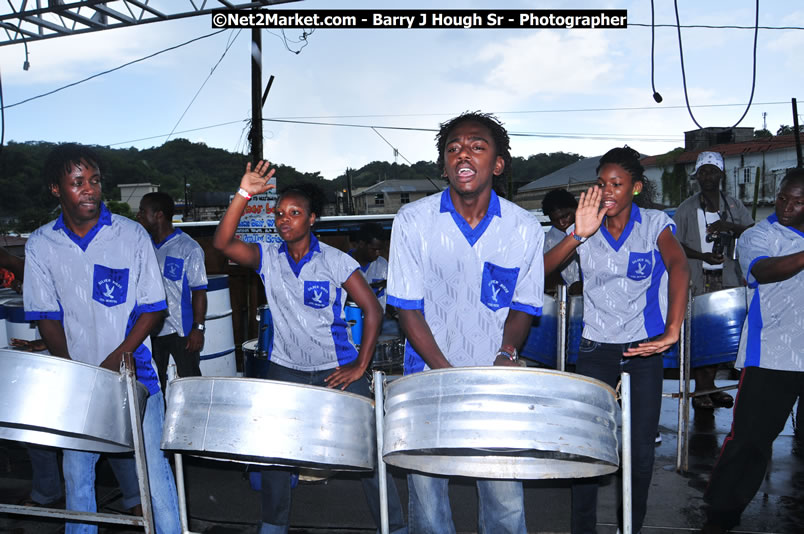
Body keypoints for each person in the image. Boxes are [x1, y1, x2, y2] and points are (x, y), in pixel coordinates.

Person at [212, 169, 407, 534]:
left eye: (295, 213)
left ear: (312, 218)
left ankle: (393, 526)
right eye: (279, 213)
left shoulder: (336, 261)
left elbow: (373, 308)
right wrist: (243, 192)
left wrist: (360, 366)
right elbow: (222, 242)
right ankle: (272, 525)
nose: (284, 220)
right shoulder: (267, 257)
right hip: (286, 369)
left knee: (369, 448)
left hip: (337, 368)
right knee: (275, 454)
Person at [387, 112, 544, 534]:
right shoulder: (412, 221)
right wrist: (444, 373)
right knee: (429, 500)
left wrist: (506, 353)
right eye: (453, 147)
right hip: (428, 377)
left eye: (477, 145)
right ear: (443, 163)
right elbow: (406, 307)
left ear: (497, 163)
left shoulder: (525, 228)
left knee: (504, 500)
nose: (463, 154)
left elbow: (523, 306)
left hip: (494, 380)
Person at [23, 144, 181, 534]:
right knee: (77, 476)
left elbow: (153, 308)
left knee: (155, 475)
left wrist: (114, 361)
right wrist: (76, 372)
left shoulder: (130, 235)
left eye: (94, 180)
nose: (89, 189)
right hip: (78, 383)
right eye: (77, 182)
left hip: (135, 375)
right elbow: (47, 317)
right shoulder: (41, 245)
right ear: (56, 189)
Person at [544, 146, 690, 534]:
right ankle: (583, 529)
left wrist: (673, 327)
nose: (607, 191)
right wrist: (578, 232)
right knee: (587, 448)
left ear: (636, 188)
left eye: (617, 183)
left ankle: (632, 527)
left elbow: (678, 265)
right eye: (601, 183)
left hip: (643, 347)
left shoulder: (655, 223)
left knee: (639, 451)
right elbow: (540, 270)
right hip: (595, 347)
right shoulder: (584, 224)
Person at [700, 168, 804, 534]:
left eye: (798, 201)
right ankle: (720, 516)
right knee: (749, 442)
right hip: (774, 354)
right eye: (782, 198)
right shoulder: (761, 235)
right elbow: (764, 270)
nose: (787, 206)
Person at [673, 151, 754, 410]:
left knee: (720, 334)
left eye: (712, 171)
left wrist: (728, 227)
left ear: (721, 174)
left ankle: (710, 387)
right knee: (700, 334)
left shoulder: (733, 205)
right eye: (703, 172)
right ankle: (702, 389)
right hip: (698, 279)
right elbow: (674, 246)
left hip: (727, 278)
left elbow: (753, 232)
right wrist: (702, 255)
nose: (708, 176)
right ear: (697, 176)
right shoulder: (686, 208)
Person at [137, 191, 208, 393]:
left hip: (182, 331)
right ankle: (160, 422)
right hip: (151, 328)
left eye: (143, 211)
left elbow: (199, 291)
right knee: (153, 385)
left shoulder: (188, 248)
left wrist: (198, 329)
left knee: (190, 384)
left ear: (158, 215)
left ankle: (196, 422)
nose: (139, 216)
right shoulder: (143, 246)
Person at [542, 188, 582, 295]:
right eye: (554, 220)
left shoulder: (594, 229)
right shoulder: (549, 240)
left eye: (565, 216)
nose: (561, 223)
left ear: (576, 208)